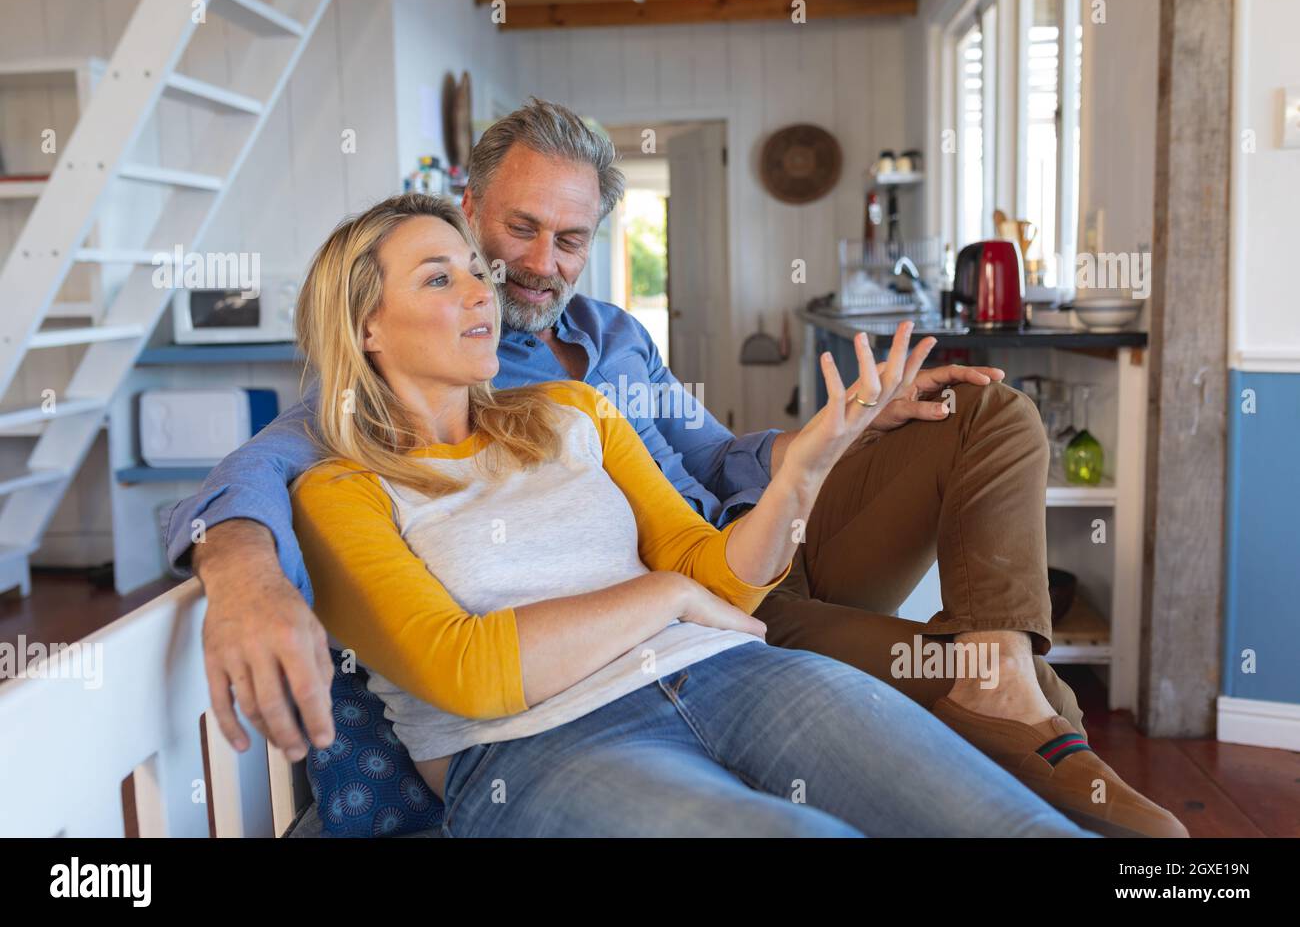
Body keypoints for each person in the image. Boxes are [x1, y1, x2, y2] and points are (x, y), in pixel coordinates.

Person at [173, 98, 1185, 837]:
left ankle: (1002, 665)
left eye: (569, 238)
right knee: (977, 714)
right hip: (706, 618)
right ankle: (1114, 805)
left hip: (736, 571)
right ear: (470, 204)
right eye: (515, 232)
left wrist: (829, 441)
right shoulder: (385, 411)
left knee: (982, 408)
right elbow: (267, 472)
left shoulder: (603, 348)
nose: (534, 266)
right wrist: (241, 568)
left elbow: (713, 458)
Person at [284, 190, 1090, 836]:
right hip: (535, 747)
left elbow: (714, 578)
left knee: (1010, 823)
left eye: (472, 269)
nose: (480, 290)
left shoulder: (572, 411)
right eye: (438, 278)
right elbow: (467, 671)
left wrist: (800, 475)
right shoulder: (340, 493)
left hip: (727, 670)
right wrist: (665, 598)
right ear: (366, 326)